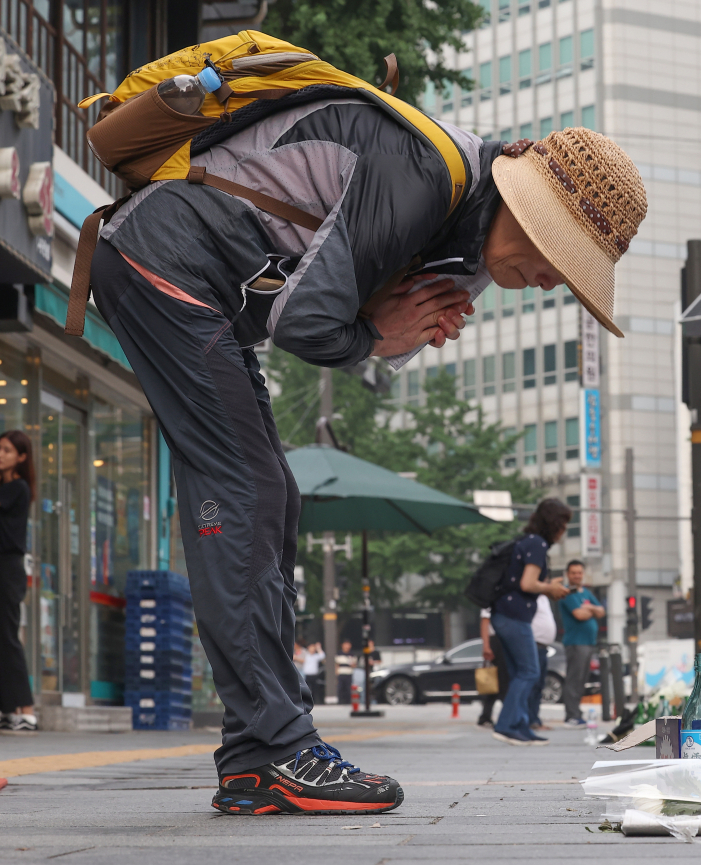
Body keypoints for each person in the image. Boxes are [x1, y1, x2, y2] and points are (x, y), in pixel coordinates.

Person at [84, 67, 646, 812]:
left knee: (274, 493)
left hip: (209, 289)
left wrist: (380, 329)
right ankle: (277, 748)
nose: (550, 284)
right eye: (558, 264)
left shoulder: (475, 241)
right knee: (247, 490)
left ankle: (257, 756)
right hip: (165, 260)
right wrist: (373, 332)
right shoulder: (425, 172)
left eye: (567, 282)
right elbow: (313, 325)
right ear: (531, 213)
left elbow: (378, 339)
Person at [490, 499, 572, 745]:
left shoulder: (526, 542)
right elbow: (527, 584)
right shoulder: (537, 544)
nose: (565, 531)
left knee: (519, 673)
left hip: (505, 615)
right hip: (514, 617)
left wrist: (548, 586)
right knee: (529, 672)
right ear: (554, 523)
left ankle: (521, 726)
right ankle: (505, 725)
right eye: (564, 524)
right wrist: (550, 589)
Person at [0, 431, 35, 735]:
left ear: (21, 457)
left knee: (8, 637)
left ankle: (27, 710)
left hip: (8, 569)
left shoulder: (18, 488)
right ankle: (8, 709)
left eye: (7, 450)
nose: (1, 454)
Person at [558, 560, 605, 727]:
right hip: (575, 643)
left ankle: (576, 713)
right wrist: (592, 609)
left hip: (588, 643)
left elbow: (601, 611)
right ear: (567, 574)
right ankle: (571, 716)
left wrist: (589, 608)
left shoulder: (586, 592)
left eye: (579, 572)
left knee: (582, 679)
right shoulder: (567, 593)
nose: (577, 575)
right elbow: (579, 615)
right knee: (574, 679)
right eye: (573, 573)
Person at [528, 592, 557, 731]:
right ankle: (529, 720)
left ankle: (535, 719)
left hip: (543, 647)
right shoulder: (529, 596)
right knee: (532, 685)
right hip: (532, 646)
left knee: (539, 685)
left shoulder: (544, 597)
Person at [476, 608, 509, 727]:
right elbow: (485, 622)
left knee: (496, 682)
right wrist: (486, 646)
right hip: (496, 640)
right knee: (501, 680)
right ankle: (507, 716)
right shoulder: (489, 600)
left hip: (505, 639)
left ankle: (486, 716)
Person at [335, 641, 356, 706]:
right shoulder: (339, 654)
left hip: (349, 673)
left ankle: (348, 702)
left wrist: (351, 663)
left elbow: (354, 665)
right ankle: (340, 702)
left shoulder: (352, 654)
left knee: (348, 689)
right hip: (341, 674)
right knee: (340, 688)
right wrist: (336, 672)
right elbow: (336, 664)